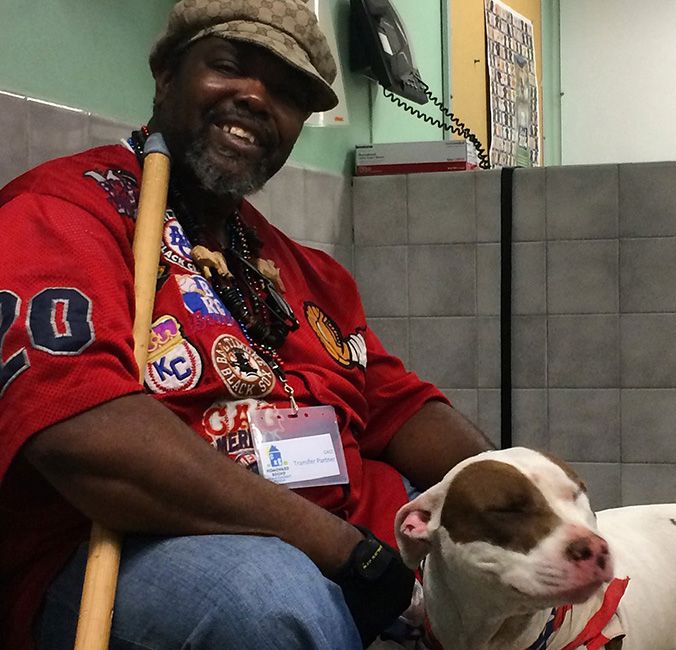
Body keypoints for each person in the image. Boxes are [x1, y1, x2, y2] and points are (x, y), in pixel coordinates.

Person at [0, 1, 494, 649]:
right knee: (266, 602)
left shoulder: (309, 273)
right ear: (167, 77)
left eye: (288, 93)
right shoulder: (62, 214)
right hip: (131, 548)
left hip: (350, 542)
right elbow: (87, 439)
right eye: (230, 66)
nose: (258, 98)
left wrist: (518, 488)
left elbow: (398, 409)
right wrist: (341, 549)